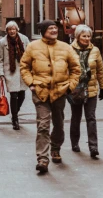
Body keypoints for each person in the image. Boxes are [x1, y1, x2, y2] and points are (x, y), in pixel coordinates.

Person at [20, 19, 81, 174]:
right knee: (43, 125)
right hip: (40, 92)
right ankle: (42, 159)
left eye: (55, 28)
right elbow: (24, 66)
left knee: (59, 124)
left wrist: (70, 86)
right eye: (51, 28)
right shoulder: (32, 47)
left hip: (60, 91)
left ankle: (55, 148)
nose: (54, 30)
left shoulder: (66, 47)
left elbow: (76, 68)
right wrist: (31, 83)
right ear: (43, 31)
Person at [69, 24, 103, 159]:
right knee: (76, 117)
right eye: (84, 36)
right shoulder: (70, 50)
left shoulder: (95, 50)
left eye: (89, 36)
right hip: (76, 89)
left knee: (91, 118)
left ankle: (93, 146)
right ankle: (74, 142)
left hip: (91, 90)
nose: (87, 38)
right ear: (77, 36)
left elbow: (100, 70)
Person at [0, 20, 30, 130]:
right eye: (10, 29)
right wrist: (1, 74)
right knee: (14, 95)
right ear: (7, 31)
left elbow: (30, 54)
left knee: (22, 95)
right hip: (10, 72)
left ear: (17, 29)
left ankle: (15, 112)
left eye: (13, 29)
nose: (12, 31)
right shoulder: (2, 42)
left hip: (22, 71)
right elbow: (0, 59)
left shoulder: (24, 39)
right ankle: (15, 119)